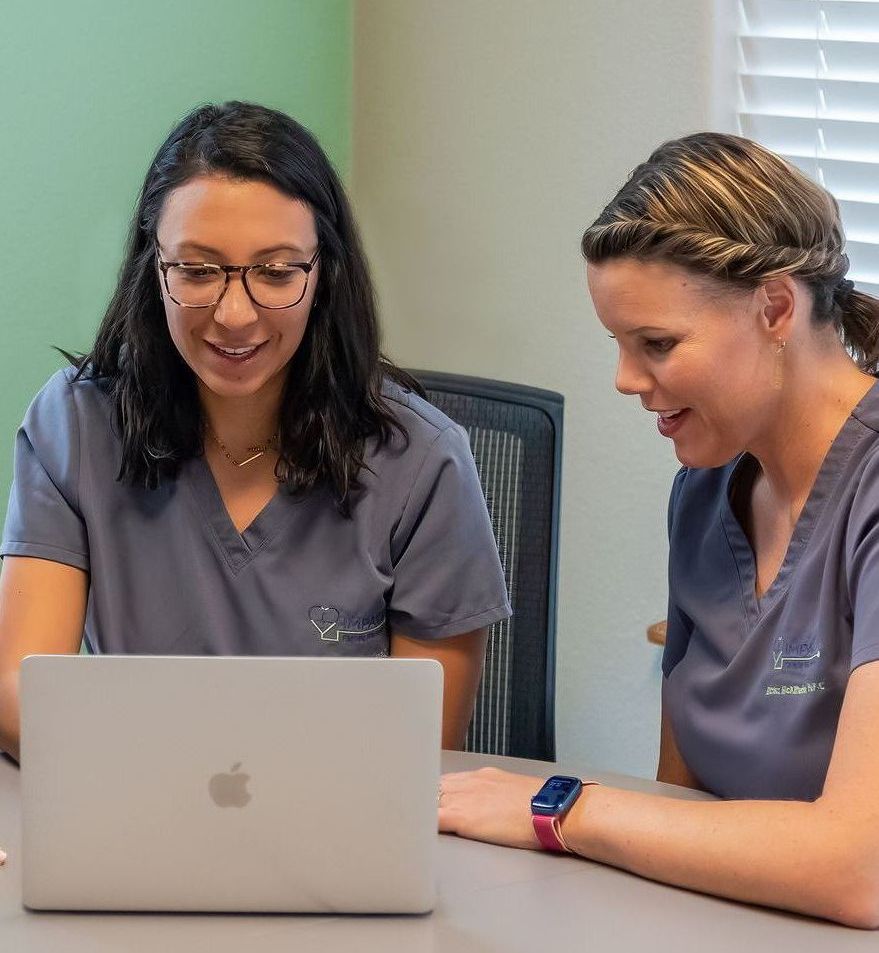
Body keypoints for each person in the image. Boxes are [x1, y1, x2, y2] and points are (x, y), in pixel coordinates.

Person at [438, 132, 879, 928]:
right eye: (618, 343)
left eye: (656, 344)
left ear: (774, 306)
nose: (624, 379)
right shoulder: (702, 495)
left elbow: (859, 868)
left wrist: (558, 807)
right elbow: (676, 798)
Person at [0, 101, 511, 764]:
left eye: (274, 272)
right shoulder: (74, 424)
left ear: (323, 273)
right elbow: (17, 690)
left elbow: (419, 754)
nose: (234, 314)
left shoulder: (423, 462)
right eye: (197, 270)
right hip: (131, 819)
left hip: (333, 843)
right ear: (152, 270)